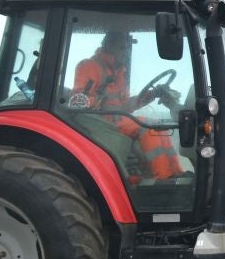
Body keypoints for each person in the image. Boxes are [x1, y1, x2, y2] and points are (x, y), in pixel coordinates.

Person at [71, 30, 184, 179]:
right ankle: (163, 177)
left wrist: (152, 95)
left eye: (127, 48)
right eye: (122, 48)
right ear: (109, 45)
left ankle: (176, 173)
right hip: (98, 122)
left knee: (158, 126)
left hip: (117, 118)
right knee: (147, 127)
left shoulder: (120, 71)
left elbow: (125, 105)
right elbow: (78, 102)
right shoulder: (90, 66)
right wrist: (100, 96)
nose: (126, 52)